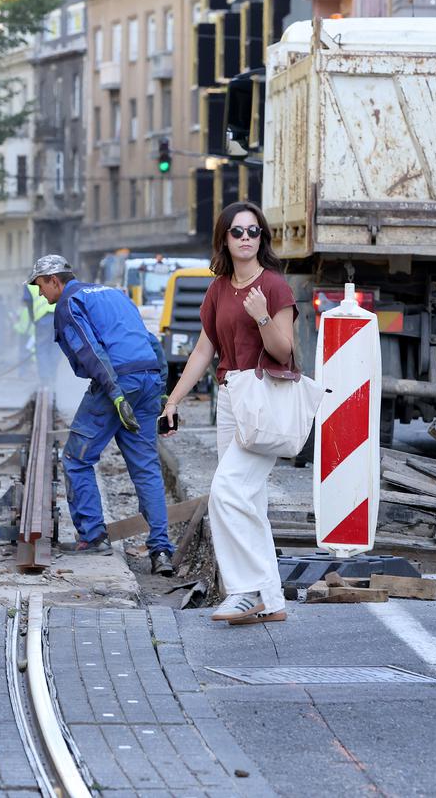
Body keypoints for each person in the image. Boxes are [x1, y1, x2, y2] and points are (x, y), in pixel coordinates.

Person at [160, 201, 296, 626]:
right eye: (237, 232)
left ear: (262, 239)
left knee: (226, 492)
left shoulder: (274, 287)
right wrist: (174, 399)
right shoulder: (218, 289)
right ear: (224, 238)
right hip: (230, 398)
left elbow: (283, 351)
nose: (245, 239)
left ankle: (245, 590)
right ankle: (271, 599)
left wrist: (261, 318)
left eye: (253, 232)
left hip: (264, 399)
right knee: (249, 500)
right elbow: (204, 350)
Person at [26, 254, 176, 576]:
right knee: (147, 468)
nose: (40, 295)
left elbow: (91, 350)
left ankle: (93, 536)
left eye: (40, 286)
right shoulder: (113, 295)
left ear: (55, 280)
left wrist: (116, 394)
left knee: (76, 459)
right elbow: (152, 342)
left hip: (117, 382)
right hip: (147, 378)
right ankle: (161, 550)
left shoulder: (69, 303)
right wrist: (162, 389)